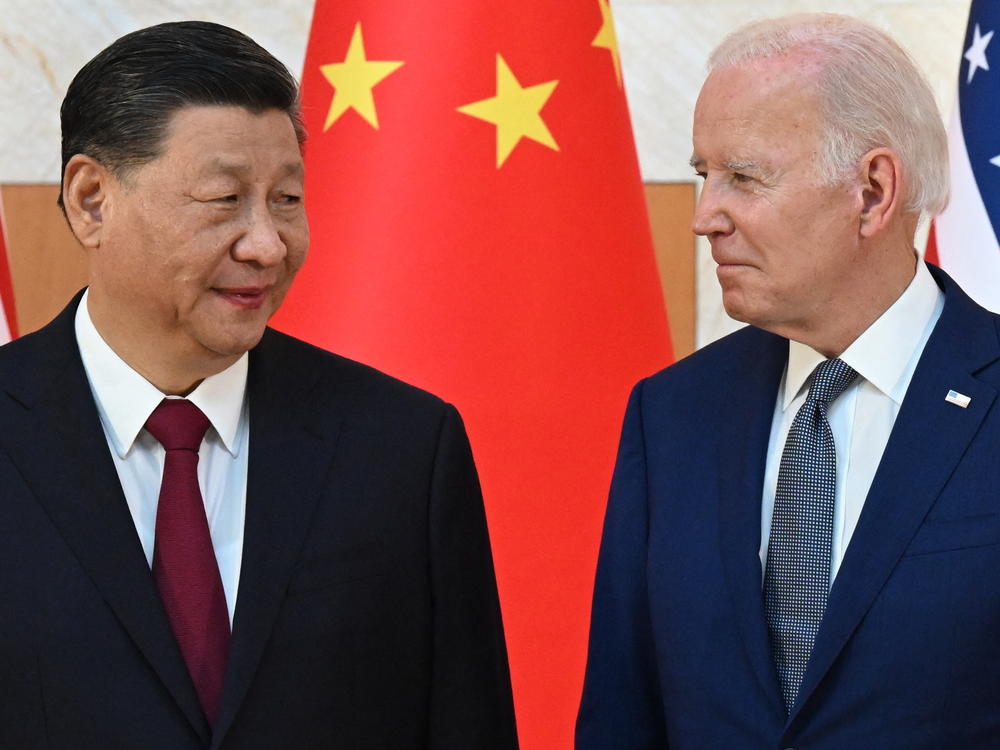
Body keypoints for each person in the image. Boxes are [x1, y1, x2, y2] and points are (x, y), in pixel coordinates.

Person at [0, 21, 517, 749]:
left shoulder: (402, 448)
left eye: (286, 200)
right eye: (223, 199)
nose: (268, 245)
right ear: (92, 200)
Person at [577, 13, 1000, 749]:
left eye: (743, 177)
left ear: (871, 191)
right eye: (705, 174)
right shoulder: (671, 414)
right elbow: (624, 713)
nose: (705, 217)